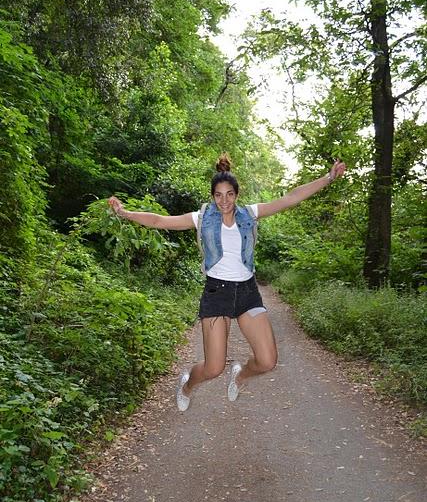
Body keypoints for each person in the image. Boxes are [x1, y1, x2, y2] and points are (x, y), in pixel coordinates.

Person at [108, 154, 346, 412]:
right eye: (219, 195)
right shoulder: (202, 218)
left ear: (236, 195)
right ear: (212, 196)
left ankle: (241, 375)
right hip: (216, 293)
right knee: (212, 368)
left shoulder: (249, 214)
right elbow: (159, 221)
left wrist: (328, 177)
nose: (224, 201)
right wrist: (124, 213)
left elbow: (290, 198)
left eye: (229, 195)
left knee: (267, 361)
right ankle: (187, 385)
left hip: (247, 292)